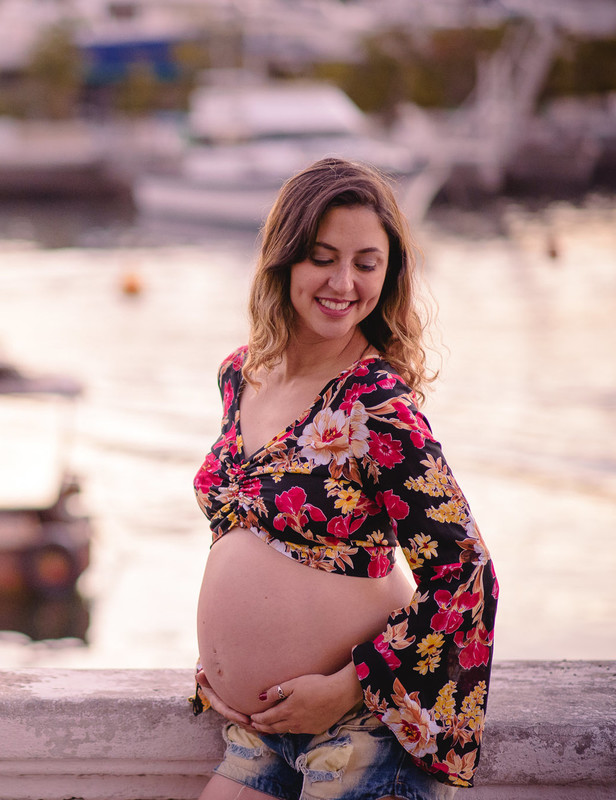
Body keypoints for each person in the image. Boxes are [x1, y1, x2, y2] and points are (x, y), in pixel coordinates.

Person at [191, 157, 498, 800]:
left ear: (388, 276)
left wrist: (350, 685)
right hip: (258, 729)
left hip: (358, 730)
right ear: (284, 260)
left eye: (366, 263)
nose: (343, 281)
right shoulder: (240, 375)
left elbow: (465, 571)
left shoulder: (373, 402)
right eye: (322, 257)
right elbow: (249, 531)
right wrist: (226, 653)